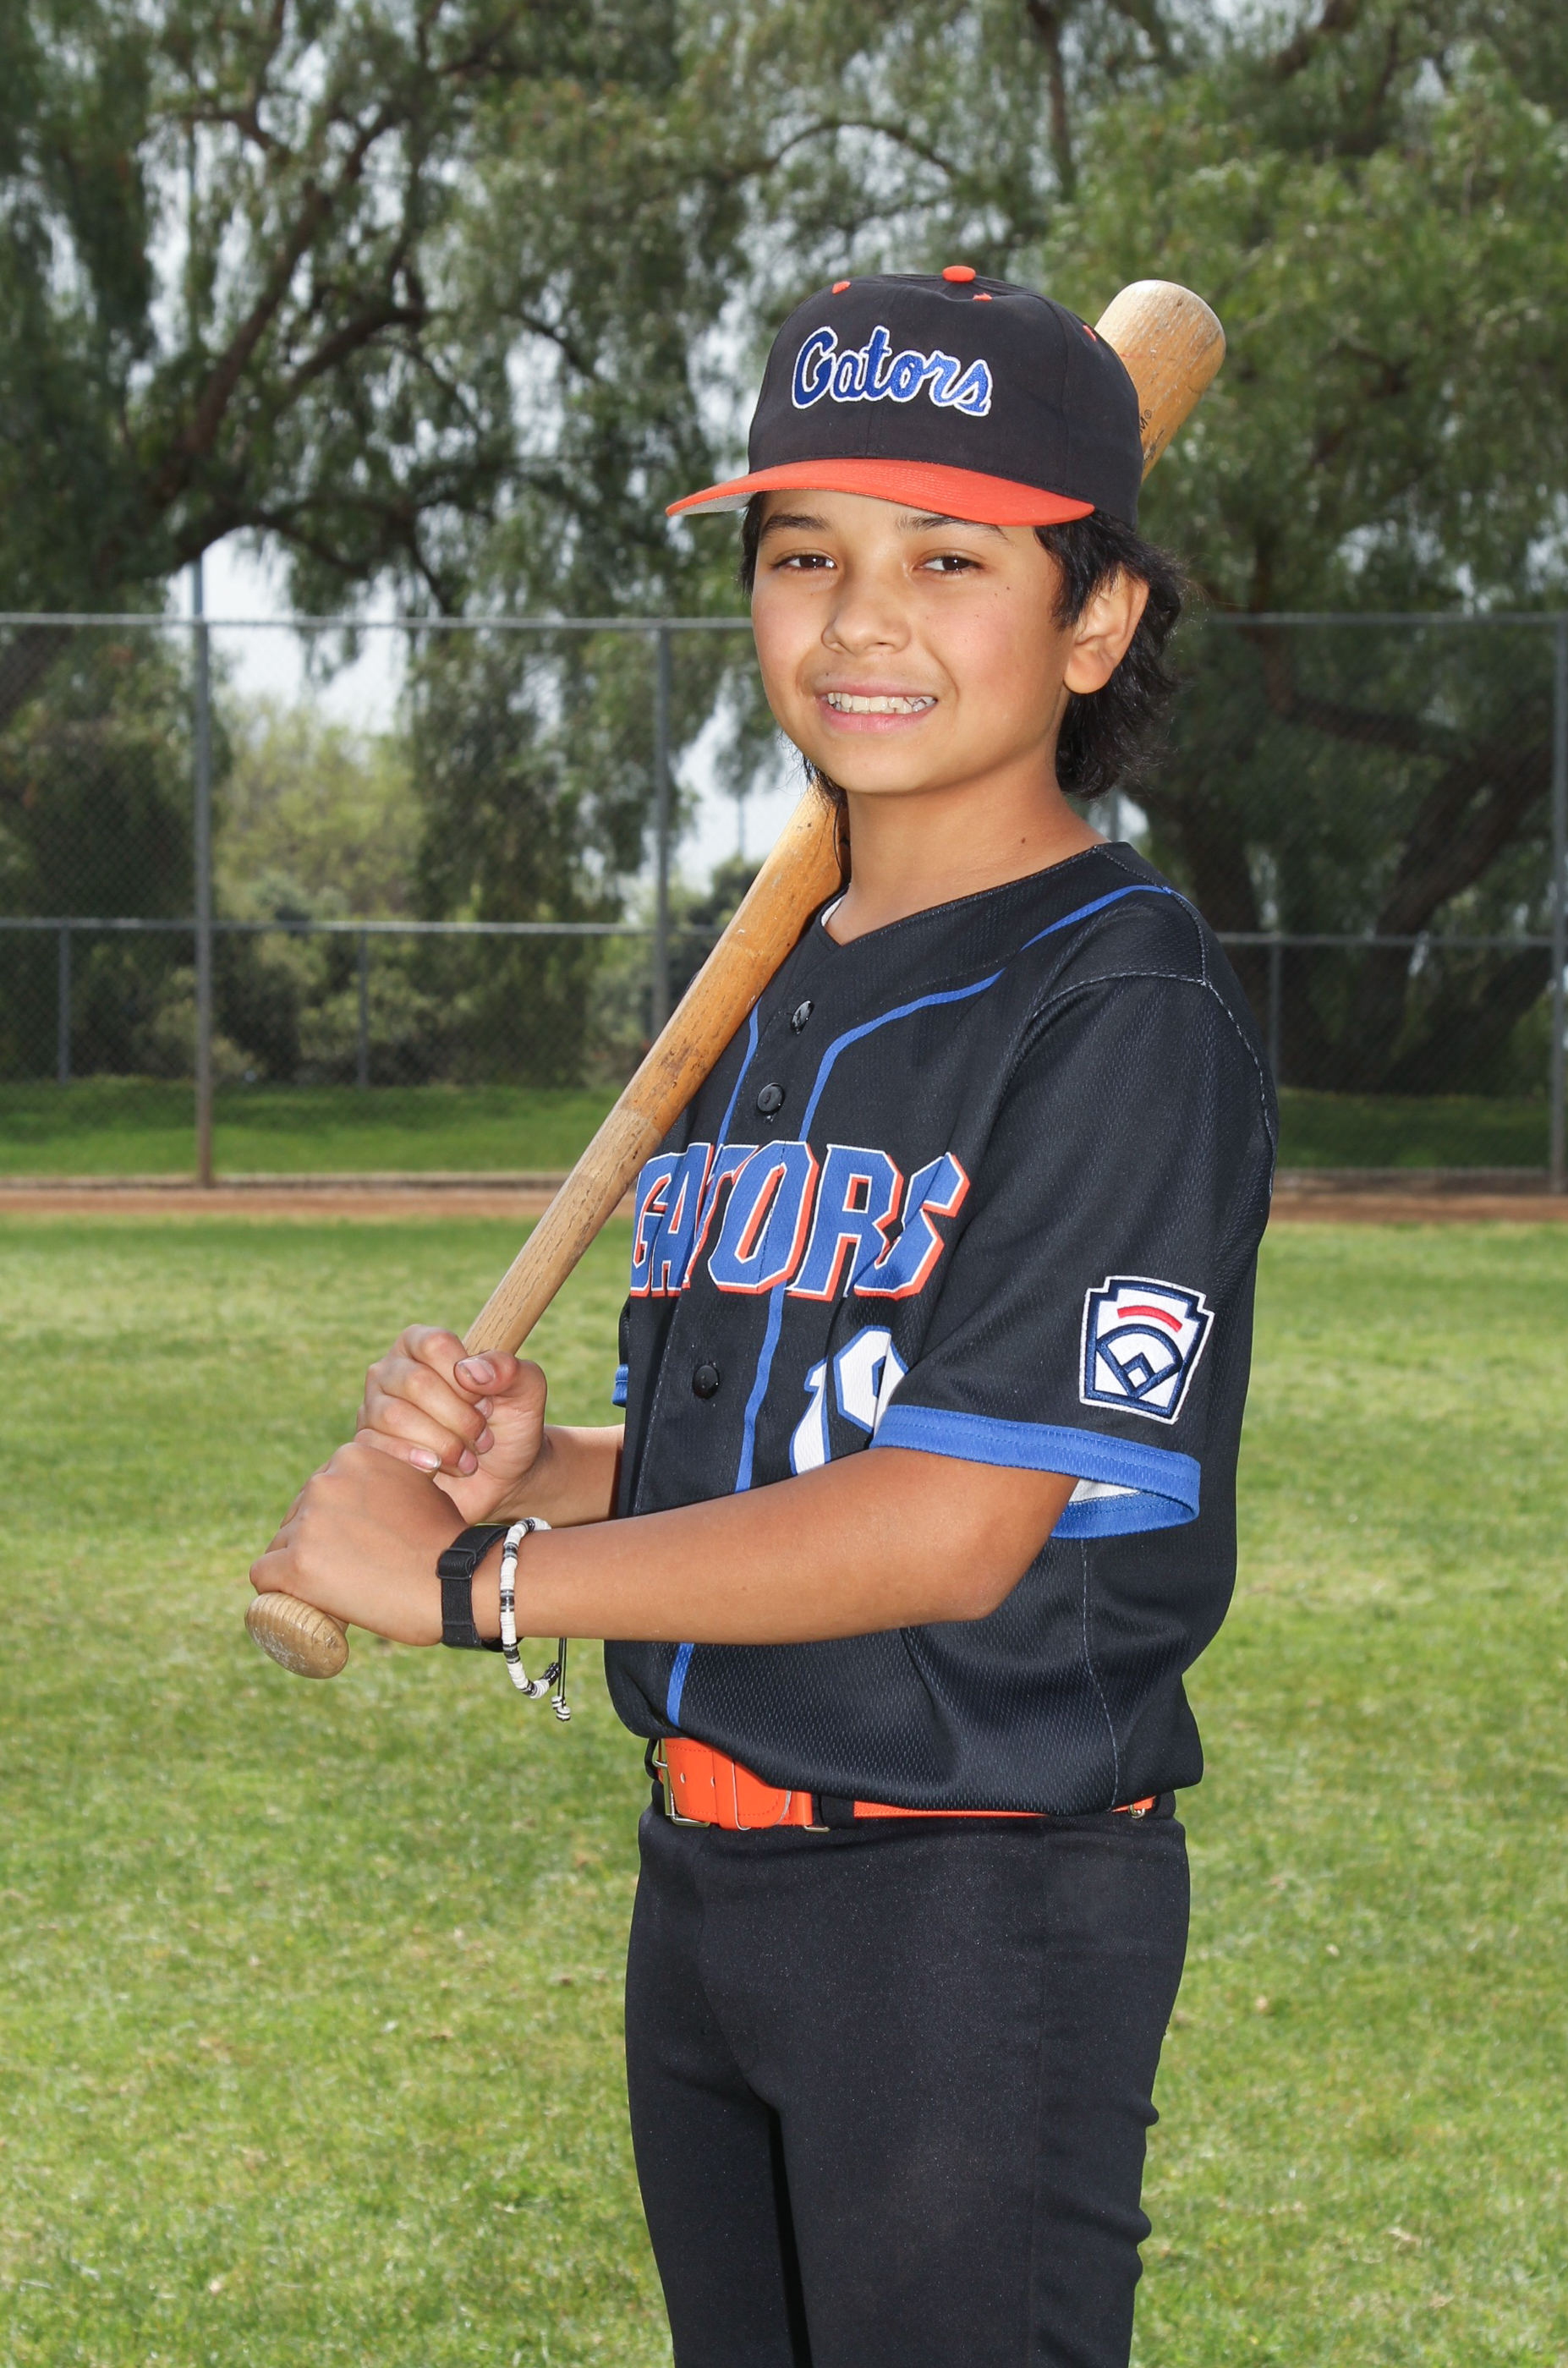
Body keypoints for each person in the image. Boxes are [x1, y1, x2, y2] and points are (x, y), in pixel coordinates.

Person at [253, 267, 1277, 2368]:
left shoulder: (1117, 1001)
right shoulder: (775, 986)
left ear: (1096, 622)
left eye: (949, 559)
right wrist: (545, 1469)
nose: (860, 619)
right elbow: (803, 1438)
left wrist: (479, 1583)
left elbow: (951, 1518)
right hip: (712, 1883)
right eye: (804, 555)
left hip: (968, 1907)